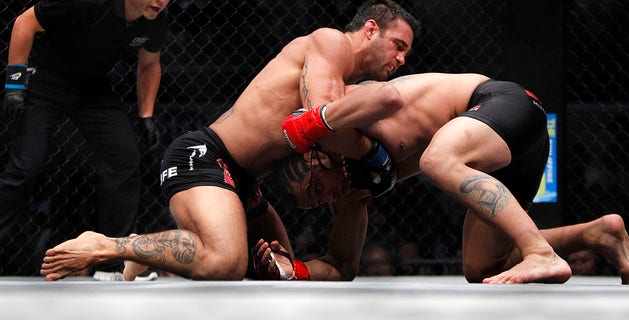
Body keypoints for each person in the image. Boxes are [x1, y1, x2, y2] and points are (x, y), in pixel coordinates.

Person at [39, 0, 421, 281]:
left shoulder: (348, 82)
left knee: (277, 268)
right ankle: (107, 245)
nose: (402, 59)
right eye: (398, 45)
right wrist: (373, 155)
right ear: (370, 30)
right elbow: (319, 116)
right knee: (226, 262)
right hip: (205, 156)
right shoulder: (331, 43)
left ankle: (147, 252)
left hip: (245, 182)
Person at [253, 72, 629, 284]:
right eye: (317, 202)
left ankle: (540, 253)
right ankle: (596, 233)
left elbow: (380, 95)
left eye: (317, 188)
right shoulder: (354, 191)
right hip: (506, 151)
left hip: (506, 104)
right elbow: (342, 265)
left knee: (437, 160)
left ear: (317, 155)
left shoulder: (350, 120)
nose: (328, 198)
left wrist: (307, 125)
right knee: (481, 268)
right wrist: (294, 270)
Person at [1, 0, 169, 279]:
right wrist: (15, 86)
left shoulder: (156, 18)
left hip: (92, 89)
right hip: (47, 80)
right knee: (24, 169)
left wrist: (146, 116)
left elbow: (149, 63)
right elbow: (25, 22)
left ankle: (110, 266)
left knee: (125, 158)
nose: (161, 2)